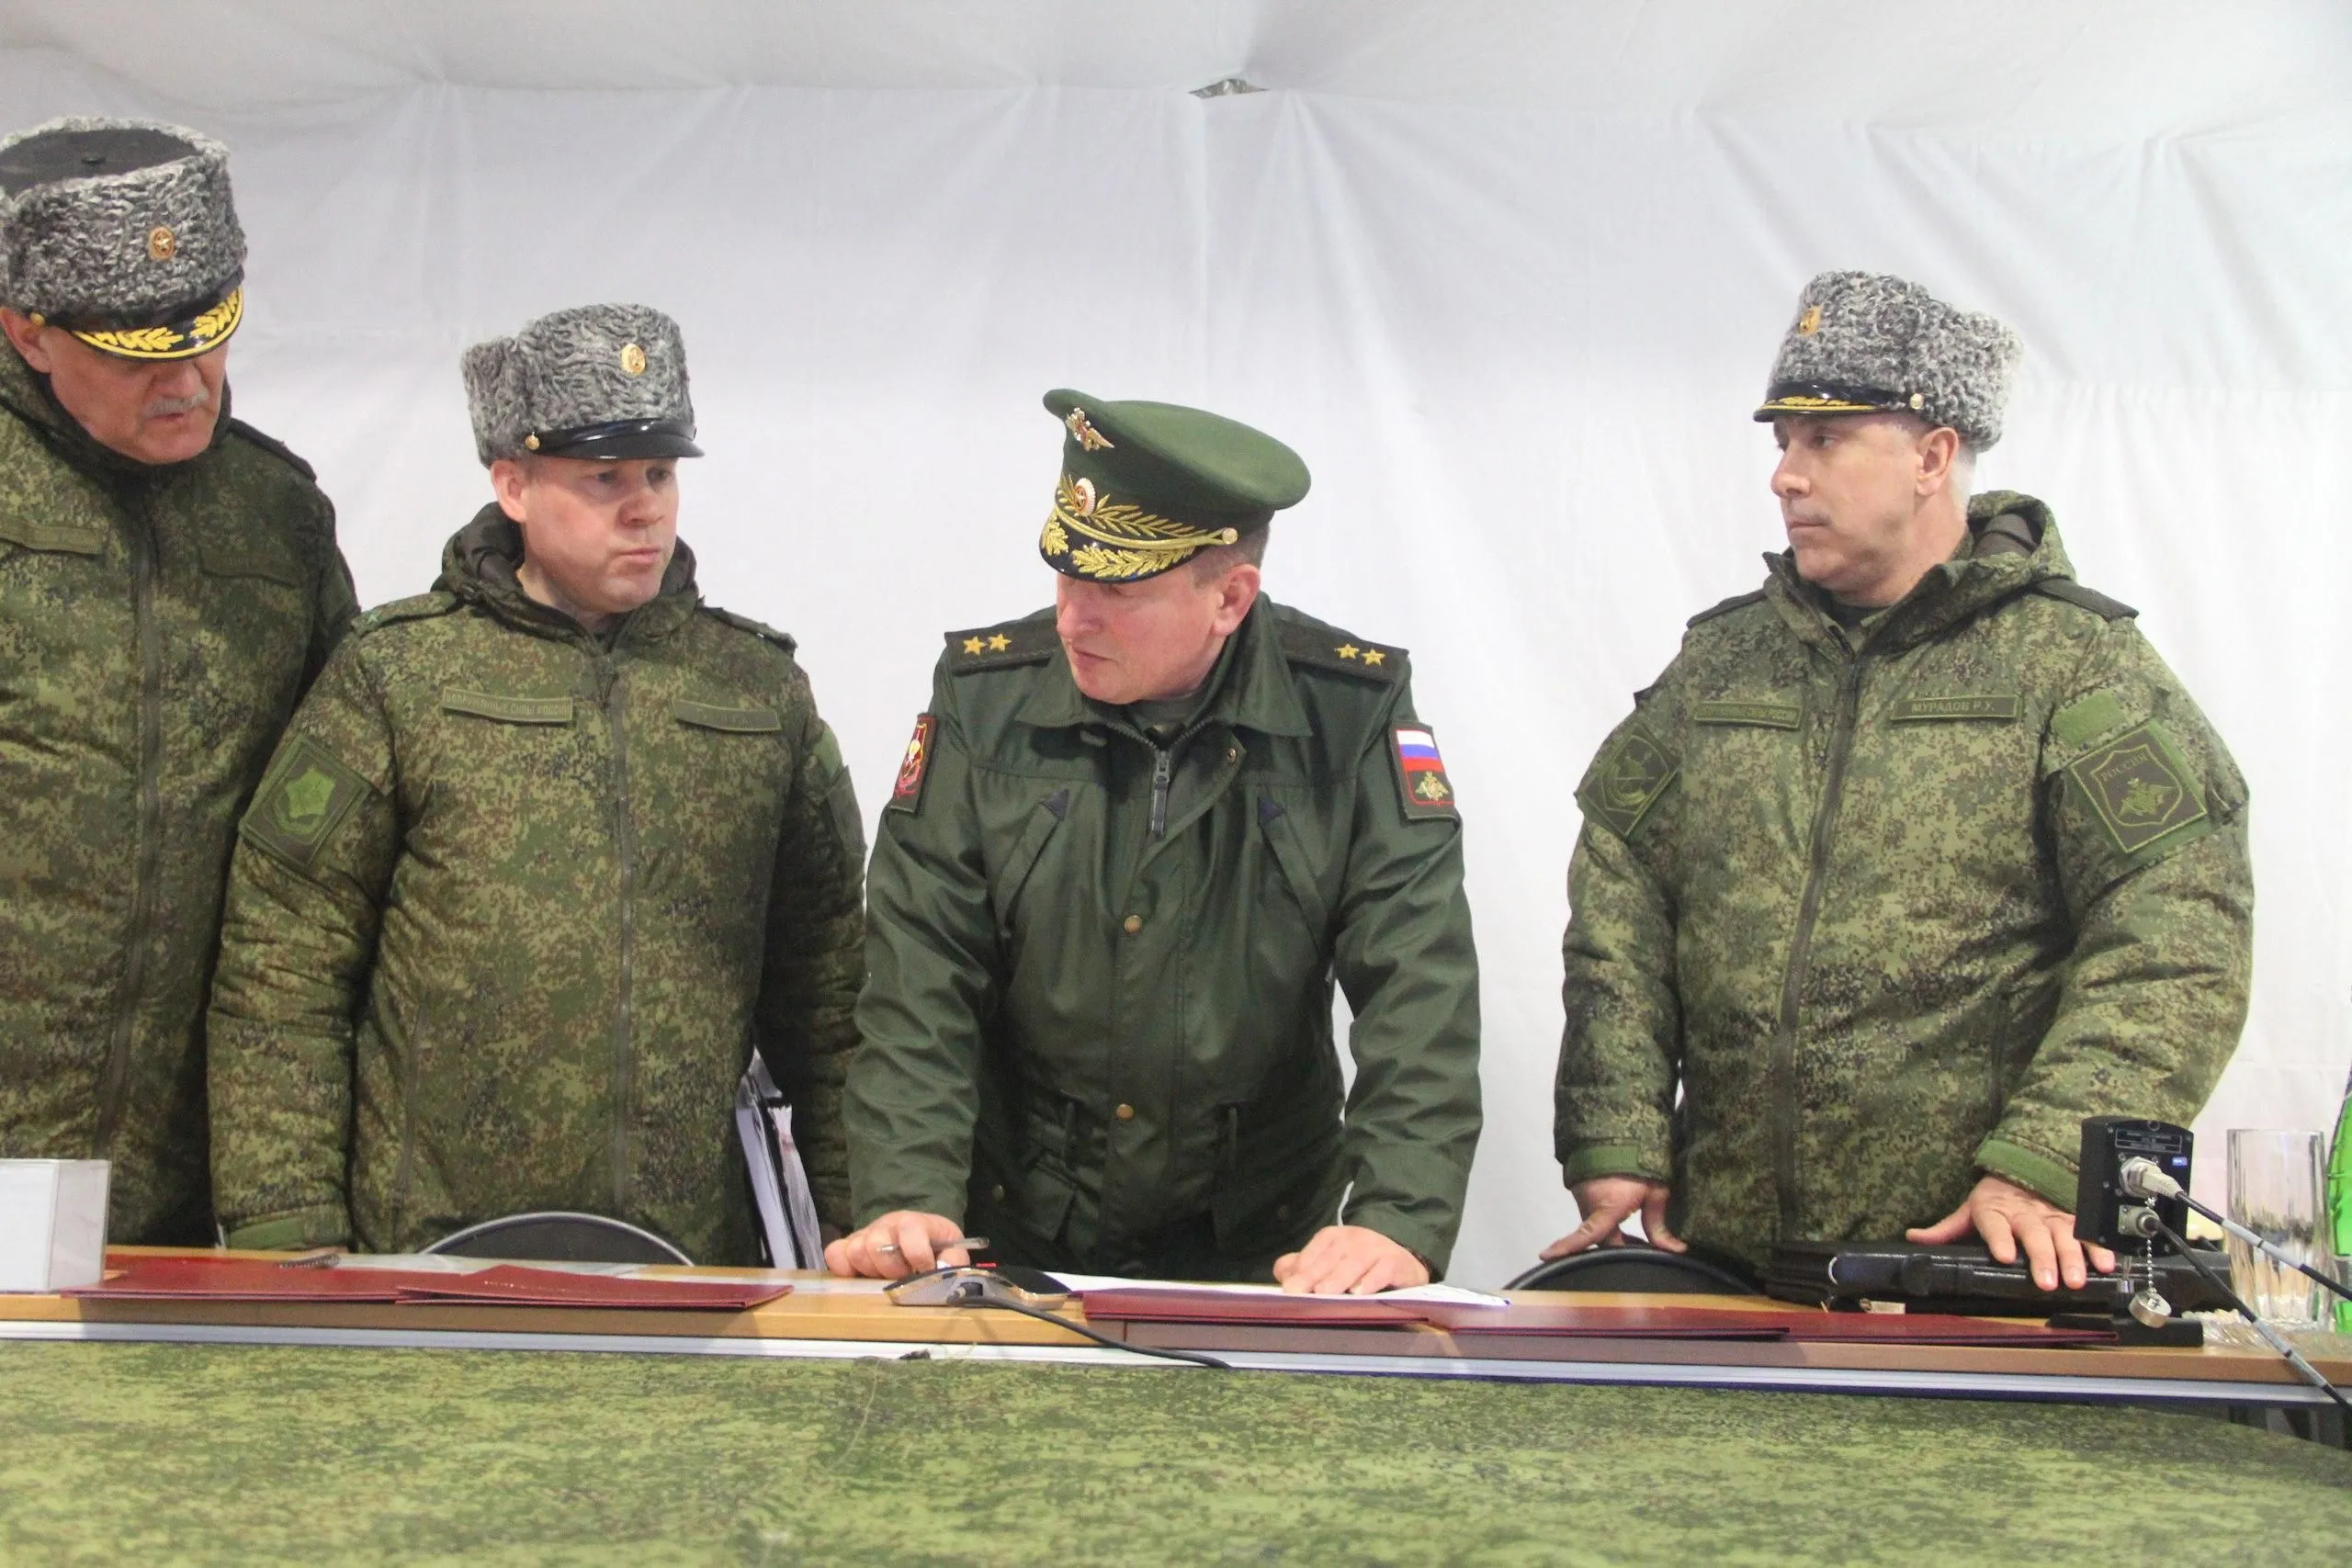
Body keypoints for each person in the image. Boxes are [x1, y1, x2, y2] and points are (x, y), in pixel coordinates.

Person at [1547, 271, 2254, 1292]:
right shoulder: (1725, 665)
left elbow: (2178, 934)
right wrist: (1618, 1133)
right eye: (1782, 441)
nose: (1785, 476)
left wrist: (2047, 1163)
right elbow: (1620, 888)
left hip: (1970, 1275)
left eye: (1824, 440)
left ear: (1932, 457)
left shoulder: (2071, 665)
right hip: (1723, 1266)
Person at [206, 304, 865, 1261]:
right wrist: (285, 1228)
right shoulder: (400, 676)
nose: (644, 508)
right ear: (513, 484)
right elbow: (281, 961)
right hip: (429, 1261)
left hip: (690, 1270)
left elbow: (830, 989)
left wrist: (863, 1211)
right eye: (604, 478)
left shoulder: (756, 692)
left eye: (659, 473)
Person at [832, 391, 1481, 1293]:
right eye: (1066, 575)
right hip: (1014, 1235)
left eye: (1116, 590)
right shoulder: (986, 703)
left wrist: (1396, 1219)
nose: (1072, 619)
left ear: (1229, 599)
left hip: (1266, 1247)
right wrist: (907, 1197)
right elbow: (921, 973)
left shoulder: (1347, 716)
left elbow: (1418, 984)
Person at [0, 117, 356, 1244]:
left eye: (209, 340)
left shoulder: (276, 516)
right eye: (137, 356)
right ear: (27, 332)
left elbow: (332, 812)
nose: (189, 383)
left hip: (188, 1151)